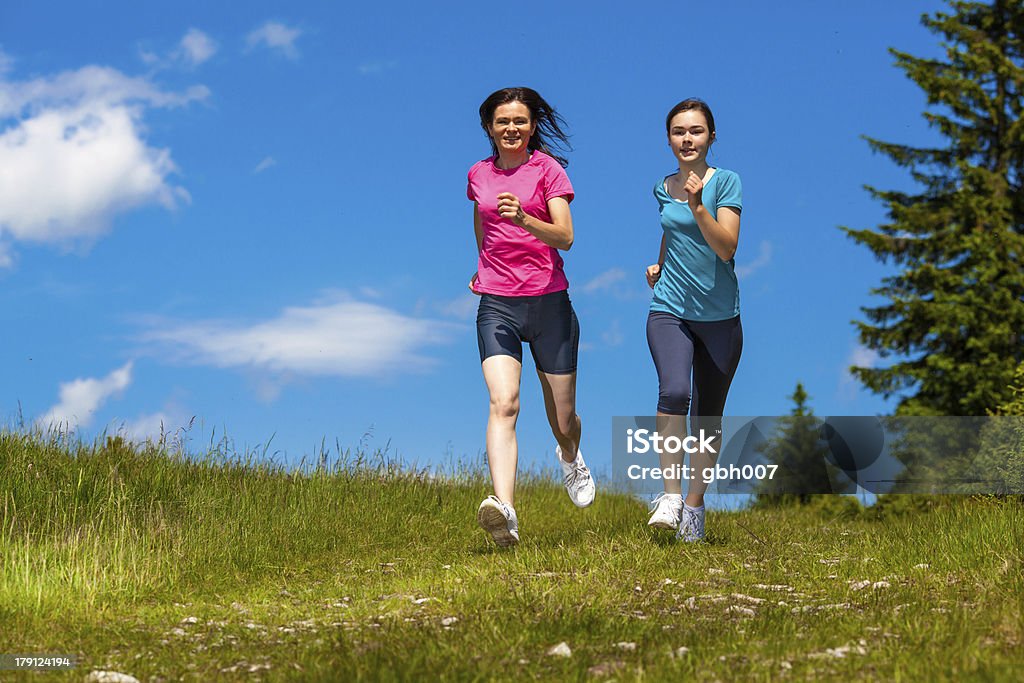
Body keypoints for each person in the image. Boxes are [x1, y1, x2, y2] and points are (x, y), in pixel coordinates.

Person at [467, 87, 595, 548]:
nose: (511, 129)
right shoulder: (478, 174)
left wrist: (524, 218)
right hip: (497, 303)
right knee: (504, 402)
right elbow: (482, 223)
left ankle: (570, 452)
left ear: (532, 126)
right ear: (489, 128)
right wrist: (482, 267)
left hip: (548, 303)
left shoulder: (548, 170)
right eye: (502, 122)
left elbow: (565, 236)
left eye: (520, 121)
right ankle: (505, 510)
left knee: (562, 418)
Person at [644, 98, 743, 542]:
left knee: (708, 415)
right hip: (670, 307)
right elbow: (671, 229)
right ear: (669, 138)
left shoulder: (727, 183)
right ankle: (670, 496)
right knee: (675, 390)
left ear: (711, 137)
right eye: (679, 131)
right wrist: (660, 264)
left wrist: (698, 203)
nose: (688, 138)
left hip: (721, 317)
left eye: (697, 131)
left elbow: (726, 248)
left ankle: (695, 506)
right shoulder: (662, 186)